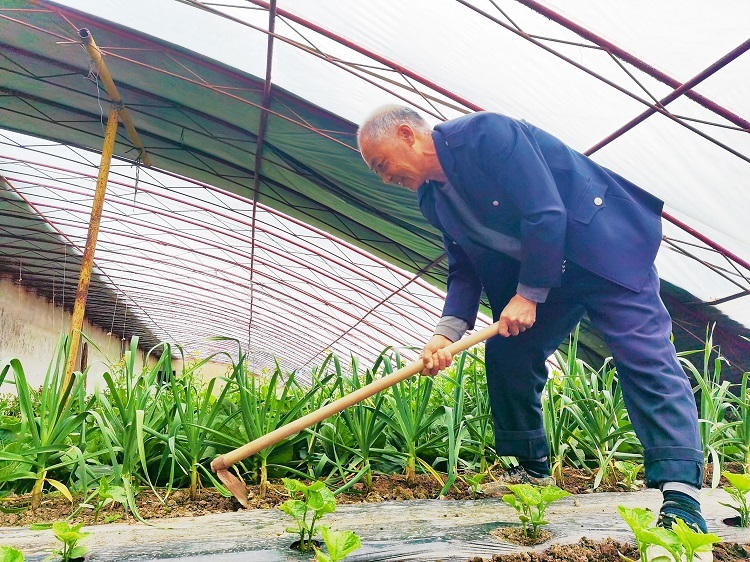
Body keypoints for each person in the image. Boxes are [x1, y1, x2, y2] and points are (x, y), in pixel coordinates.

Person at [357, 106, 709, 550]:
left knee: (644, 357)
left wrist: (528, 294)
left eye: (381, 164)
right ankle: (531, 469)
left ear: (406, 134)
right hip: (545, 275)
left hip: (603, 254)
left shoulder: (485, 134)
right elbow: (463, 269)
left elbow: (545, 210)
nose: (383, 178)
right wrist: (445, 334)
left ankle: (681, 497)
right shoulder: (432, 198)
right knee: (510, 354)